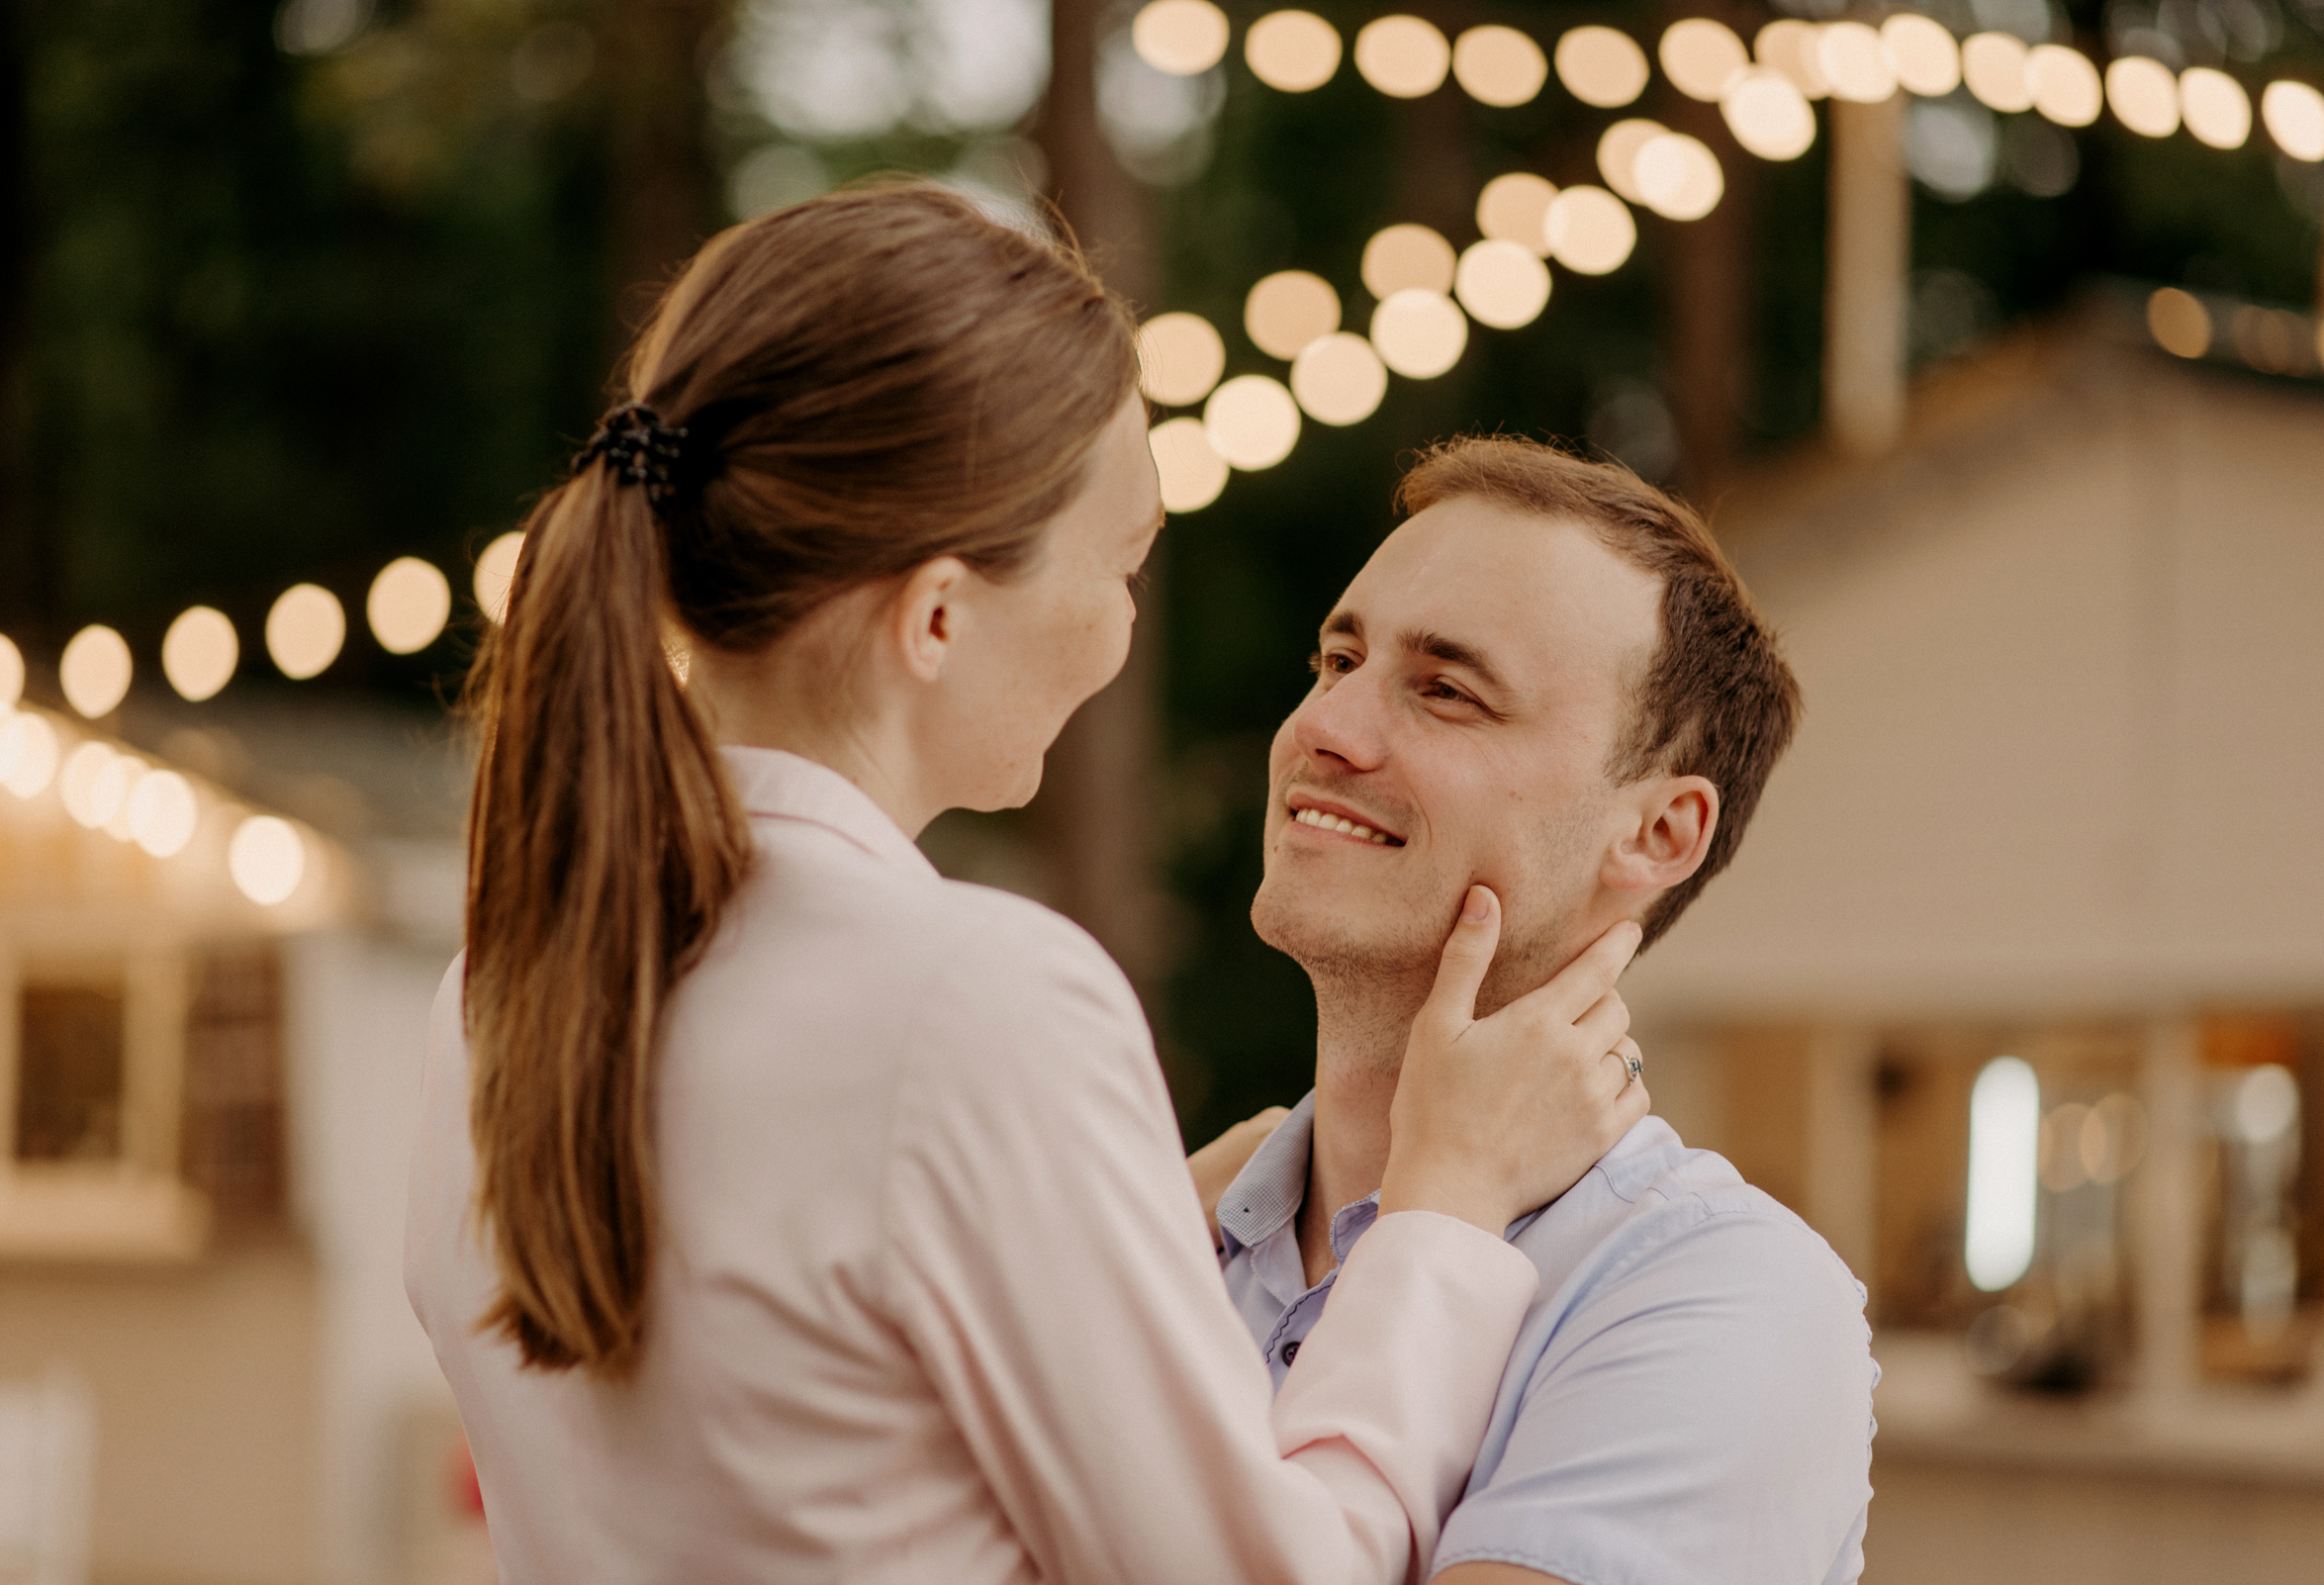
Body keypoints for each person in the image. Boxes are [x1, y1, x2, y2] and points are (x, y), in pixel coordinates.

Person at [404, 185, 1653, 1585]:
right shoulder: (972, 1000)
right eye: (1120, 563)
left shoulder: (496, 1000)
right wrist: (1443, 1212)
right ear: (938, 615)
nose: (1124, 625)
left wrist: (1123, 1221)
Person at [1208, 437, 1879, 1585]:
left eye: (1446, 691)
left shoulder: (1716, 1296)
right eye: (1337, 659)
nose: (1323, 729)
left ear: (1658, 833)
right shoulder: (1174, 1234)